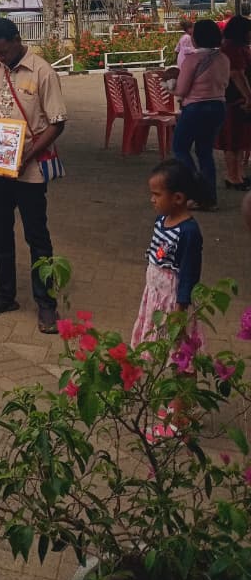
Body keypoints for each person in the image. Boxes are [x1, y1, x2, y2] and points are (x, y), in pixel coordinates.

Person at [0, 17, 66, 333]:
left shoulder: (42, 72)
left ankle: (46, 303)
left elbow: (57, 122)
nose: (1, 57)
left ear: (17, 40)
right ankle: (5, 294)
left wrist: (28, 154)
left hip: (30, 172)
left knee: (37, 236)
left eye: (4, 51)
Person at [131, 159, 204, 440]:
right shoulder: (162, 220)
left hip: (174, 305)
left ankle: (180, 418)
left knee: (181, 359)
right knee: (170, 357)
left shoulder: (189, 232)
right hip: (156, 299)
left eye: (157, 194)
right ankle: (179, 405)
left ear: (178, 198)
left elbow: (189, 273)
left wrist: (180, 309)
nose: (152, 200)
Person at [171, 19, 229, 208]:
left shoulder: (192, 60)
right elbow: (225, 83)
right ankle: (209, 198)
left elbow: (181, 90)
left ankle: (197, 191)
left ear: (196, 38)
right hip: (218, 106)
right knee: (205, 152)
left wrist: (168, 86)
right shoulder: (223, 59)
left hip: (195, 107)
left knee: (180, 147)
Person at [215, 14, 251, 191]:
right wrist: (248, 96)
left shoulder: (235, 47)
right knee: (232, 141)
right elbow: (237, 74)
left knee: (239, 140)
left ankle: (238, 174)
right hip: (233, 100)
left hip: (236, 99)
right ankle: (233, 176)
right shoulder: (232, 49)